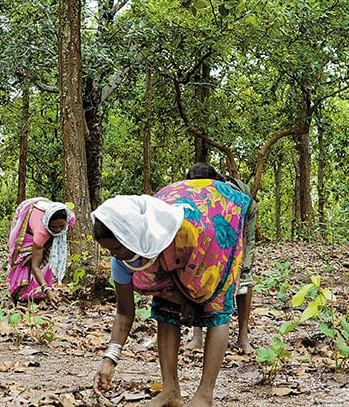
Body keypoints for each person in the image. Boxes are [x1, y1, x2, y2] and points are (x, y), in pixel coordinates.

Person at [92, 178, 251, 407]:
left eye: (116, 248)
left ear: (131, 236)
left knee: (215, 308)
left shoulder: (188, 232)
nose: (113, 255)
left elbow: (197, 275)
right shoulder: (121, 260)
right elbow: (124, 312)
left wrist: (191, 297)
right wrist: (110, 359)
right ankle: (170, 391)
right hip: (171, 254)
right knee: (165, 309)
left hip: (211, 229)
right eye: (108, 250)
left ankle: (204, 396)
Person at [185, 162, 258, 354]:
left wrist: (241, 267)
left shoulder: (242, 201)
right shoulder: (192, 198)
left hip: (235, 246)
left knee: (246, 283)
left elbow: (248, 238)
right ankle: (197, 336)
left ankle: (243, 338)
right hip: (210, 246)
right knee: (197, 278)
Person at [7, 197, 76, 305]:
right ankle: (23, 294)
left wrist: (40, 252)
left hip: (41, 232)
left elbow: (51, 239)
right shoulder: (41, 232)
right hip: (27, 232)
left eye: (61, 226)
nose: (58, 230)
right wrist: (47, 289)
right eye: (54, 227)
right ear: (47, 223)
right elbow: (35, 267)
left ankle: (38, 294)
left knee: (46, 258)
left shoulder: (69, 217)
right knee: (25, 261)